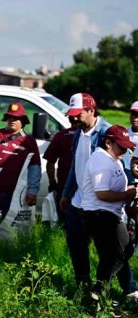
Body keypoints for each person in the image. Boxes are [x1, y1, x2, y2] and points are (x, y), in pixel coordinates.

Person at [60, 93, 138, 301]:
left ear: (91, 111)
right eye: (72, 114)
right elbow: (75, 166)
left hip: (102, 204)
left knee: (114, 249)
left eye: (78, 114)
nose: (74, 119)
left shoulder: (108, 134)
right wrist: (67, 192)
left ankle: (128, 289)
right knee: (77, 244)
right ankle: (83, 286)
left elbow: (126, 168)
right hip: (80, 200)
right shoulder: (78, 132)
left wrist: (130, 196)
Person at [81, 125, 138, 301]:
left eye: (127, 147)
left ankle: (120, 292)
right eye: (121, 146)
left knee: (110, 255)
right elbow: (102, 193)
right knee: (124, 251)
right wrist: (126, 194)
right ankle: (98, 289)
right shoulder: (101, 161)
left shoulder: (112, 159)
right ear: (108, 143)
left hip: (106, 213)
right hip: (100, 214)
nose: (125, 150)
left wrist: (128, 191)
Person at [0, 102, 41, 223]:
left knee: (11, 228)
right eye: (10, 117)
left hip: (16, 192)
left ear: (23, 120)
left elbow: (35, 167)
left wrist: (32, 191)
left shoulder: (29, 141)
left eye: (16, 118)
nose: (12, 120)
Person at [43, 117, 78, 221]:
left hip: (64, 186)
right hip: (85, 187)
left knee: (64, 219)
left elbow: (50, 162)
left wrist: (52, 182)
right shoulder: (88, 136)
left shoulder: (61, 135)